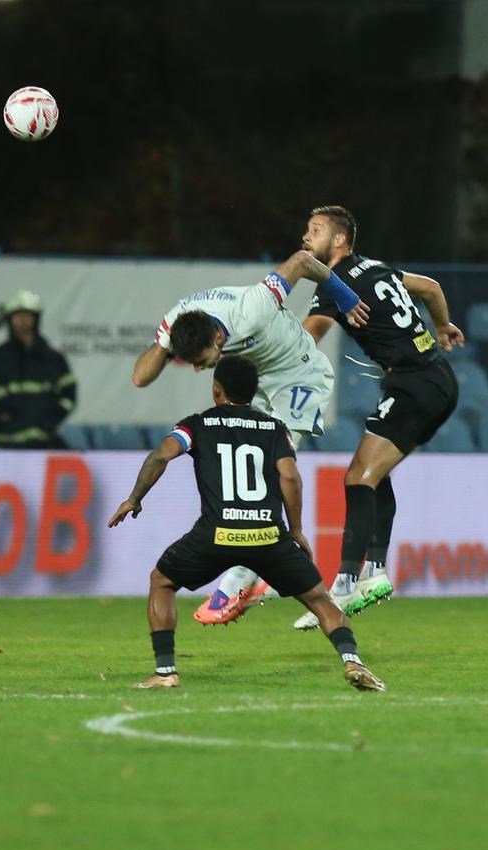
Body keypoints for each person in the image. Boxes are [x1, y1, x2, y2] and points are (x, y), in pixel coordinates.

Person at [109, 355, 386, 692]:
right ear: (254, 392)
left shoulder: (197, 425)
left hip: (217, 534)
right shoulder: (275, 428)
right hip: (268, 536)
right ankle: (352, 661)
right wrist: (296, 530)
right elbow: (289, 477)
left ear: (216, 390)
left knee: (162, 581)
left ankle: (165, 671)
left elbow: (161, 455)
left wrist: (134, 498)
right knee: (319, 599)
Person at [131, 249, 369, 625]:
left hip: (298, 375)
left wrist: (346, 297)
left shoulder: (251, 309)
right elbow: (140, 378)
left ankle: (242, 579)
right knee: (242, 469)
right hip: (256, 383)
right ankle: (253, 572)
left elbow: (302, 261)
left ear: (218, 336)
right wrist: (162, 344)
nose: (199, 370)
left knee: (271, 464)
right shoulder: (180, 322)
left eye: (202, 360)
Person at [286, 204, 466, 631]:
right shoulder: (376, 267)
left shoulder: (336, 281)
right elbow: (431, 288)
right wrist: (443, 326)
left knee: (357, 477)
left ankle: (347, 583)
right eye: (307, 230)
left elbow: (310, 334)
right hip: (437, 380)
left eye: (316, 230)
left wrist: (270, 345)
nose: (307, 237)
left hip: (413, 385)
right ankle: (375, 572)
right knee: (374, 473)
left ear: (340, 240)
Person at [0, 290, 76, 449]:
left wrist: (53, 418)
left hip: (46, 442)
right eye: (17, 316)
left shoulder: (54, 359)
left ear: (36, 318)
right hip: (7, 444)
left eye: (27, 315)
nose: (23, 320)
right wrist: (0, 414)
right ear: (9, 319)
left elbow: (69, 393)